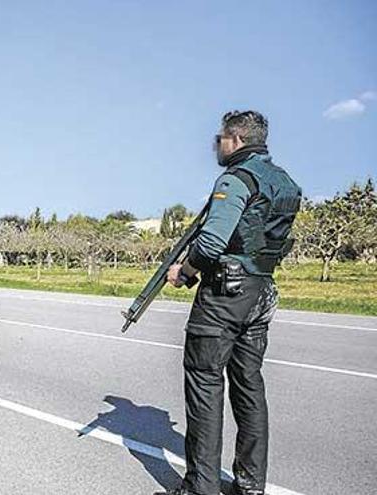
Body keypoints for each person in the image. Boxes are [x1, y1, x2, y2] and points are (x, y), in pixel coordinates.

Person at [158, 111, 301, 495]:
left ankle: (200, 487)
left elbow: (210, 243)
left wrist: (184, 271)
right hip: (261, 293)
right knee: (249, 386)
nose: (216, 144)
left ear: (235, 140)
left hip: (224, 296)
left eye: (220, 137)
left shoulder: (236, 179)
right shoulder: (285, 182)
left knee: (205, 385)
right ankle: (251, 484)